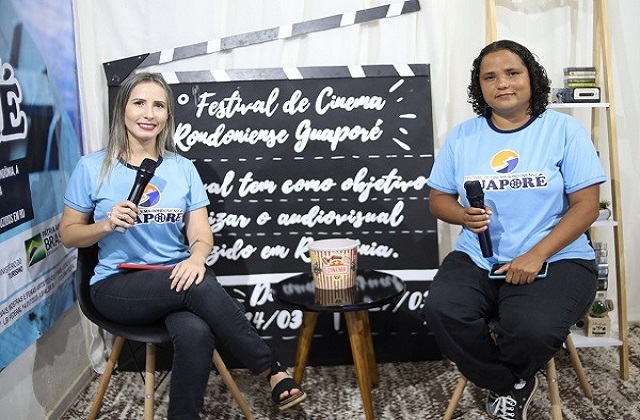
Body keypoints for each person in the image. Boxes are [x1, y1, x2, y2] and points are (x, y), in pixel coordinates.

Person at [60, 72, 306, 419]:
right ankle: (271, 369)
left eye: (158, 105)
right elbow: (68, 234)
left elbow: (201, 234)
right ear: (122, 110)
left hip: (176, 278)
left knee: (196, 331)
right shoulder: (91, 167)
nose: (149, 114)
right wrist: (106, 224)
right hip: (116, 286)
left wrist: (196, 258)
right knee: (199, 285)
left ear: (168, 115)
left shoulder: (183, 168)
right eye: (139, 103)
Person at [421, 40, 605, 420]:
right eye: (489, 77)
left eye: (512, 73)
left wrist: (536, 254)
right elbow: (438, 198)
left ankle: (507, 378)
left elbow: (586, 207)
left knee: (532, 329)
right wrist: (462, 215)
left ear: (531, 77)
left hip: (556, 257)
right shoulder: (463, 136)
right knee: (443, 311)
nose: (502, 83)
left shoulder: (564, 130)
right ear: (479, 87)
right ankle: (510, 383)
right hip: (478, 256)